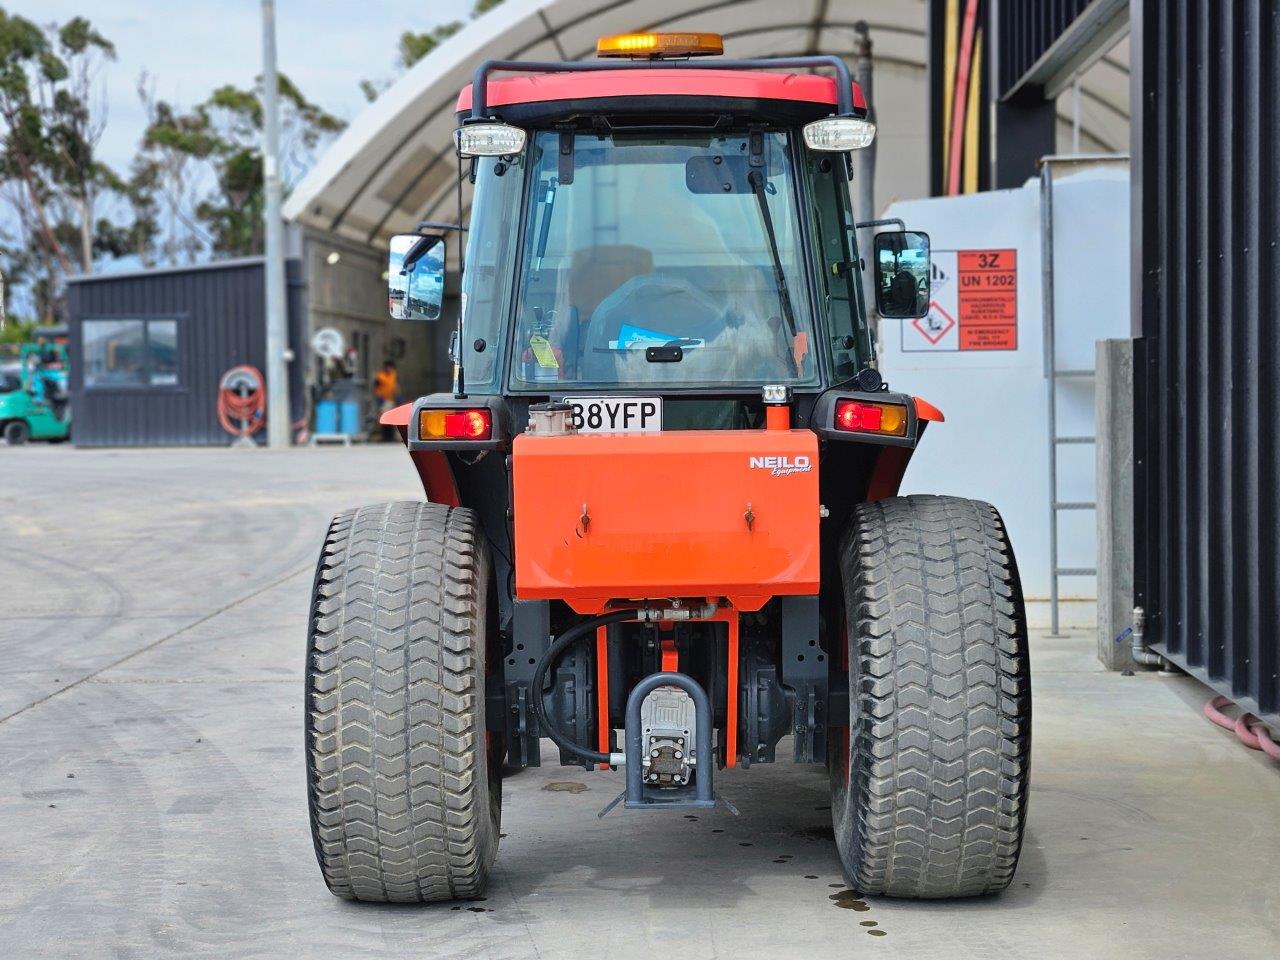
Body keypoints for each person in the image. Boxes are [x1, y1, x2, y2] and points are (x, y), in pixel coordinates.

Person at [372, 360, 400, 440]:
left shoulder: (394, 375)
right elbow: (375, 388)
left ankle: (392, 436)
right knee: (384, 418)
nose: (389, 369)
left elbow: (397, 386)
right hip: (384, 400)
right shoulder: (380, 376)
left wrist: (398, 397)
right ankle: (385, 436)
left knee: (393, 419)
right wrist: (379, 398)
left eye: (390, 367)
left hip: (392, 400)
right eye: (387, 367)